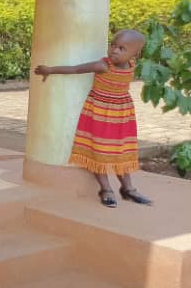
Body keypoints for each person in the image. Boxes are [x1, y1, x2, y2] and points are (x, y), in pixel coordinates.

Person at [33, 30, 153, 208]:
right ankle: (105, 189)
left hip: (121, 114)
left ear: (135, 54)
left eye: (122, 48)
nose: (114, 50)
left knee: (120, 152)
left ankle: (128, 188)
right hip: (99, 113)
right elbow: (76, 69)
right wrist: (49, 70)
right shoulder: (103, 66)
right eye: (113, 45)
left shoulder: (131, 65)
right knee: (99, 150)